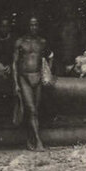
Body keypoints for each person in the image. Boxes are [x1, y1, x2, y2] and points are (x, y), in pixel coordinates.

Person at [11, 15, 53, 151]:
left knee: (35, 110)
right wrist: (16, 83)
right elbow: (14, 63)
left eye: (35, 25)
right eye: (31, 25)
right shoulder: (20, 42)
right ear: (27, 26)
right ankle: (38, 142)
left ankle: (30, 138)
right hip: (24, 78)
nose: (33, 27)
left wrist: (47, 73)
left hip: (38, 78)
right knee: (31, 109)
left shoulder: (42, 42)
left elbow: (50, 57)